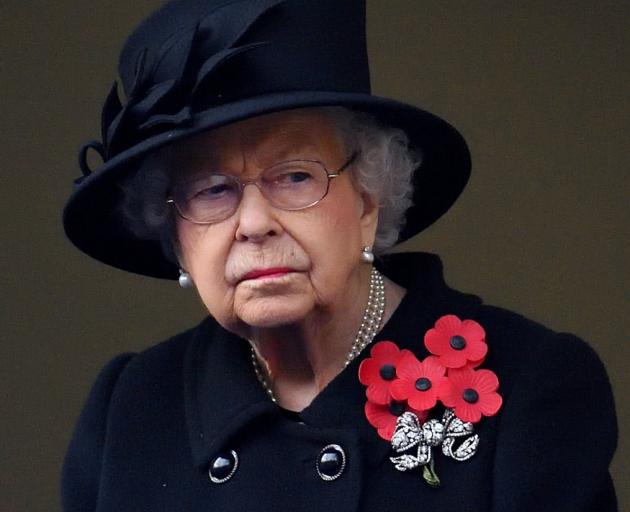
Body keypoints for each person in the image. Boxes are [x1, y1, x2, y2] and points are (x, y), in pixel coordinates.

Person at [61, 1, 617, 510]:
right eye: (212, 190)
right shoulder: (128, 411)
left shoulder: (531, 387)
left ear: (369, 200)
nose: (254, 223)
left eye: (295, 176)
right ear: (176, 233)